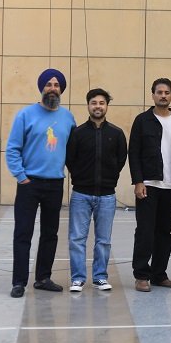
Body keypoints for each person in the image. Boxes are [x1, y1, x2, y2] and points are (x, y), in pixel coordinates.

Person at [6, 68, 77, 298]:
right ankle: (19, 282)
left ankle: (43, 278)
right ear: (42, 88)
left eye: (56, 85)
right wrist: (21, 177)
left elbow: (74, 151)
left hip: (55, 184)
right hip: (29, 184)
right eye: (48, 84)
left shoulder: (68, 118)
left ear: (61, 89)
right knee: (23, 233)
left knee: (50, 233)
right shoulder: (25, 115)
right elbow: (13, 148)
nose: (52, 88)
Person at [129, 78, 171, 292]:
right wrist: (138, 181)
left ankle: (159, 274)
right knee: (145, 231)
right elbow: (133, 152)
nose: (163, 96)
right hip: (148, 183)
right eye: (159, 92)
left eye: (167, 92)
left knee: (164, 232)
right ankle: (141, 275)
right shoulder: (142, 120)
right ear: (153, 94)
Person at [66, 88, 127, 292]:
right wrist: (80, 177)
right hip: (81, 194)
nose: (97, 106)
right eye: (94, 103)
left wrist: (110, 177)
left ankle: (100, 277)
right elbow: (70, 159)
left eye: (101, 103)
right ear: (88, 105)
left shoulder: (116, 134)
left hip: (107, 195)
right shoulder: (77, 133)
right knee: (77, 239)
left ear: (107, 106)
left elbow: (121, 159)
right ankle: (77, 278)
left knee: (103, 240)